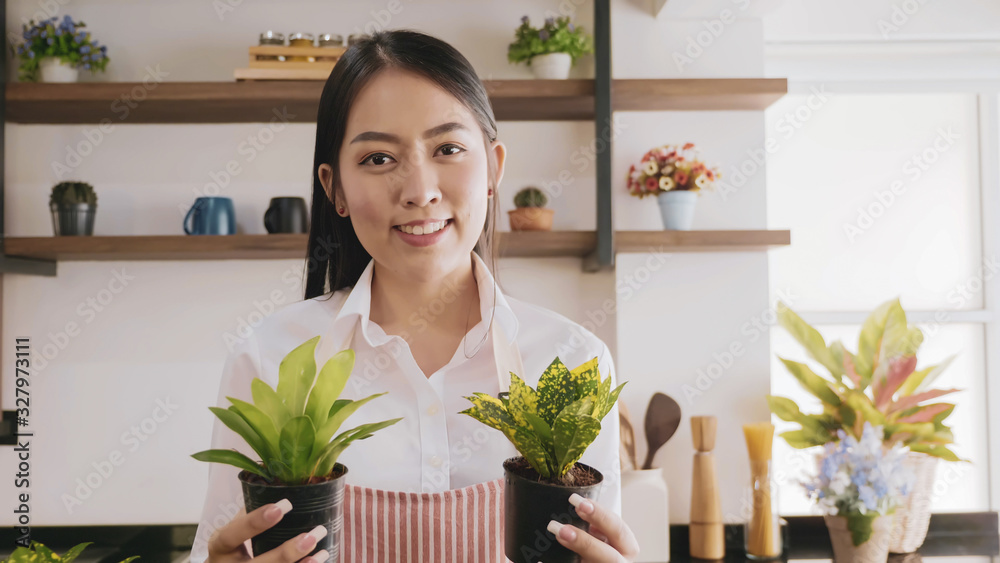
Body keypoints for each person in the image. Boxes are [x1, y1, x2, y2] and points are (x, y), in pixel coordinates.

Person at [190, 29, 638, 563]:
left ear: (494, 168)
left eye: (448, 148)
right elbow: (221, 547)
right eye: (379, 158)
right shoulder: (268, 357)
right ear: (335, 188)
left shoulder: (573, 360)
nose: (419, 190)